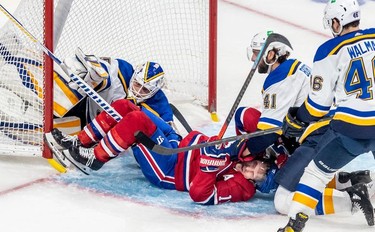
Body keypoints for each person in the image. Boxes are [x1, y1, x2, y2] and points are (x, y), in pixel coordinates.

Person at [45, 98, 273, 205]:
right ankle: (80, 142)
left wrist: (209, 163)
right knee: (125, 106)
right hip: (178, 146)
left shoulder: (241, 188)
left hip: (169, 169)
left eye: (256, 175)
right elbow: (245, 115)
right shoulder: (249, 154)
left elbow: (200, 195)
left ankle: (93, 159)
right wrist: (274, 131)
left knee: (135, 122)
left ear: (256, 184)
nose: (252, 169)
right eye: (259, 165)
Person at [278, 0, 375, 231]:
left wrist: (297, 118)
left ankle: (294, 224)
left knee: (316, 173)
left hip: (351, 128)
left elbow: (317, 108)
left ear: (336, 22)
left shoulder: (328, 51)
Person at [234, 31, 311, 193]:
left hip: (309, 145)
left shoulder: (280, 79)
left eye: (256, 53)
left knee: (282, 195)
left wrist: (243, 154)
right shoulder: (293, 68)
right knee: (244, 115)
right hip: (309, 134)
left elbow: (270, 132)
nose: (253, 59)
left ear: (271, 54)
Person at [54, 48, 173, 127]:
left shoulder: (159, 106)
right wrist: (93, 70)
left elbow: (167, 132)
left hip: (105, 141)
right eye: (137, 84)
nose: (138, 91)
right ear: (134, 75)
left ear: (155, 91)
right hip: (86, 109)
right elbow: (107, 68)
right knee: (70, 92)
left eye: (145, 90)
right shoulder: (123, 71)